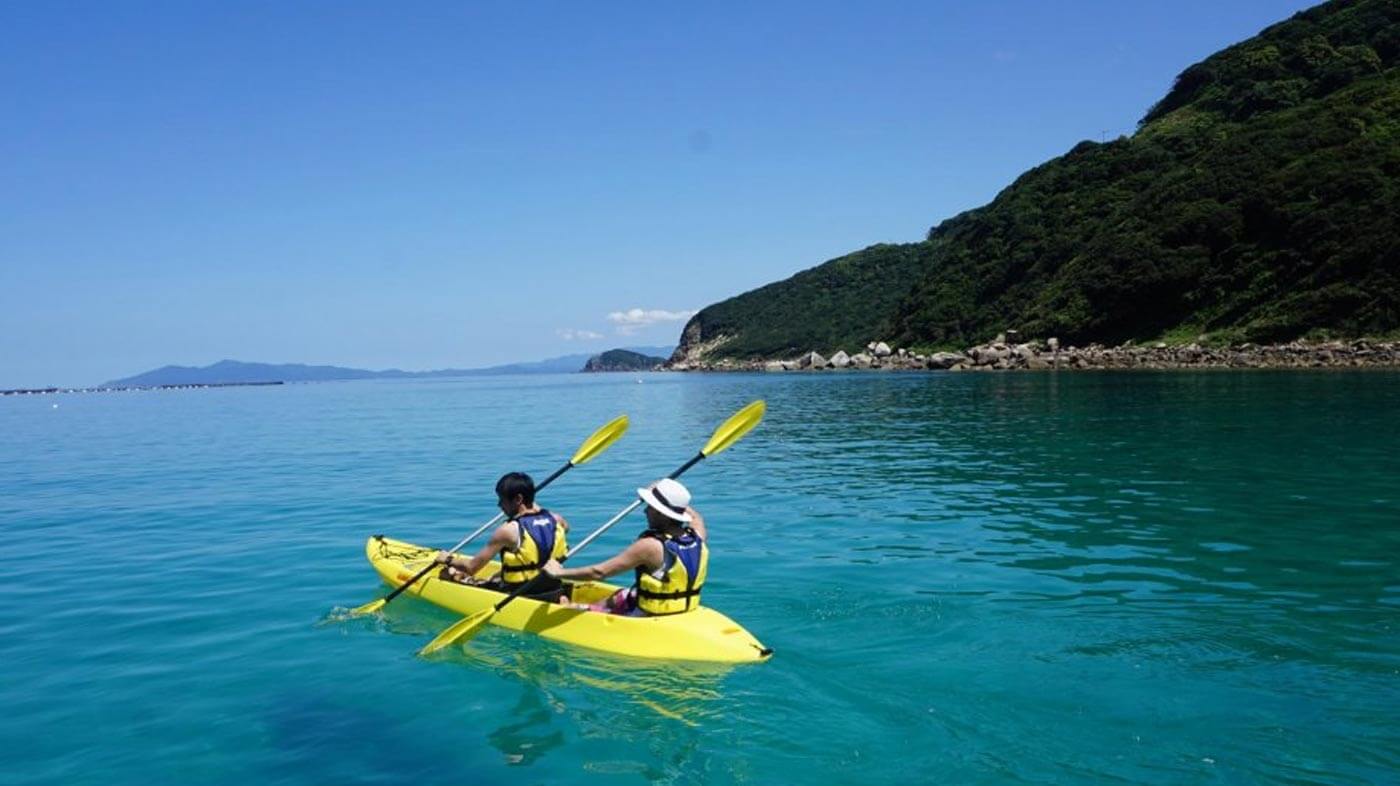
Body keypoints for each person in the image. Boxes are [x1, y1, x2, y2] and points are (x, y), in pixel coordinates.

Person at [541, 478, 707, 616]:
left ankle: (574, 609)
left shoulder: (649, 546)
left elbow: (599, 572)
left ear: (661, 512)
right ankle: (584, 607)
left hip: (649, 615)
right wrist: (661, 491)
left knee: (617, 600)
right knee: (621, 596)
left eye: (650, 507)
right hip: (685, 608)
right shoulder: (697, 536)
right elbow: (695, 516)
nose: (646, 511)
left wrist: (559, 572)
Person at [433, 472, 570, 601]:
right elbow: (548, 537)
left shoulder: (507, 531)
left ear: (518, 499)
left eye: (502, 500)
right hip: (554, 589)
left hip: (519, 595)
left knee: (448, 573)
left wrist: (448, 559)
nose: (499, 505)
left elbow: (471, 568)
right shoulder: (557, 520)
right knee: (497, 575)